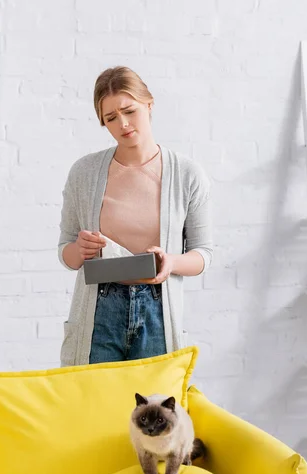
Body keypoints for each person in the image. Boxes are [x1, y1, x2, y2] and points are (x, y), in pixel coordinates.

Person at [58, 66, 213, 367]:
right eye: (111, 118)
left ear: (149, 104)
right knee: (94, 406)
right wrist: (80, 249)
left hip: (158, 310)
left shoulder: (187, 174)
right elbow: (67, 254)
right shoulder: (84, 173)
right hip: (98, 311)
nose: (123, 124)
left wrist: (171, 262)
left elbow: (203, 254)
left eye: (129, 111)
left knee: (155, 409)